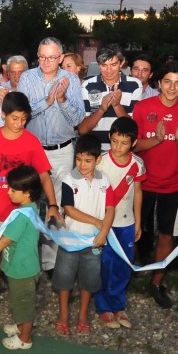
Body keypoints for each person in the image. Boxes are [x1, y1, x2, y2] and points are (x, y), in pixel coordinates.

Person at [0, 92, 60, 322]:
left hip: (22, 216)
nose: (19, 124)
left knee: (20, 256)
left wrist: (53, 205)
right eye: (14, 118)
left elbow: (44, 176)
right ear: (3, 114)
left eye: (24, 119)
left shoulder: (31, 141)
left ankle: (21, 299)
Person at [17, 36, 85, 275]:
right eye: (42, 56)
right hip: (33, 150)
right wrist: (47, 101)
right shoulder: (27, 78)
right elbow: (23, 114)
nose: (46, 61)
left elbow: (78, 120)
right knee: (30, 204)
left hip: (62, 151)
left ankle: (51, 263)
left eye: (52, 57)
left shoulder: (72, 80)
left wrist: (62, 100)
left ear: (61, 58)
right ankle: (26, 256)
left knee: (58, 207)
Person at [133, 61, 178, 308]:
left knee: (167, 237)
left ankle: (157, 281)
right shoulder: (142, 107)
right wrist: (157, 140)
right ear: (159, 82)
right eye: (168, 81)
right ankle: (130, 271)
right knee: (136, 231)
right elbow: (134, 145)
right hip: (143, 182)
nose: (172, 87)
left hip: (173, 184)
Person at [52, 134, 115, 336]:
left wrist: (103, 231)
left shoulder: (104, 180)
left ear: (98, 160)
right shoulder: (69, 179)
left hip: (94, 242)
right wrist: (98, 222)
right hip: (70, 240)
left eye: (88, 161)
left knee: (89, 280)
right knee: (64, 279)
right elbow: (69, 209)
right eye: (78, 159)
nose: (82, 164)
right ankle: (63, 315)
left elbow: (111, 208)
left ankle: (82, 315)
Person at [95, 117, 146, 329]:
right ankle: (103, 307)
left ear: (133, 143)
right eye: (115, 141)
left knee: (123, 265)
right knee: (104, 265)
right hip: (104, 224)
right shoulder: (101, 161)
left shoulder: (138, 164)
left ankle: (118, 305)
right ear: (109, 138)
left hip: (126, 223)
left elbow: (138, 193)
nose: (118, 147)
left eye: (124, 143)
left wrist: (138, 221)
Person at [0, 166, 43, 350]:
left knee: (24, 306)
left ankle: (25, 339)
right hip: (21, 268)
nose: (8, 193)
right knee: (19, 302)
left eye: (13, 190)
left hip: (22, 271)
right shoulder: (30, 208)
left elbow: (4, 241)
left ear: (27, 193)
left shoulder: (21, 216)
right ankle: (20, 326)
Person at [78, 45, 142, 149]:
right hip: (95, 151)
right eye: (104, 65)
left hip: (122, 150)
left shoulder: (134, 85)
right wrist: (101, 109)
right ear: (98, 64)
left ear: (122, 63)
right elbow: (82, 130)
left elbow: (133, 128)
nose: (108, 70)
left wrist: (116, 105)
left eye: (113, 64)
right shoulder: (87, 86)